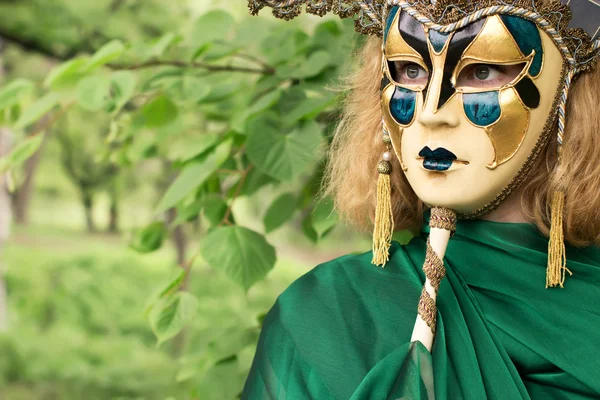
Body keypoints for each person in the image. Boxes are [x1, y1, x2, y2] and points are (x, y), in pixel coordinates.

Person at [243, 0, 600, 398]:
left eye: (482, 71)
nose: (432, 113)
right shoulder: (327, 316)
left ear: (569, 94)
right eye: (410, 70)